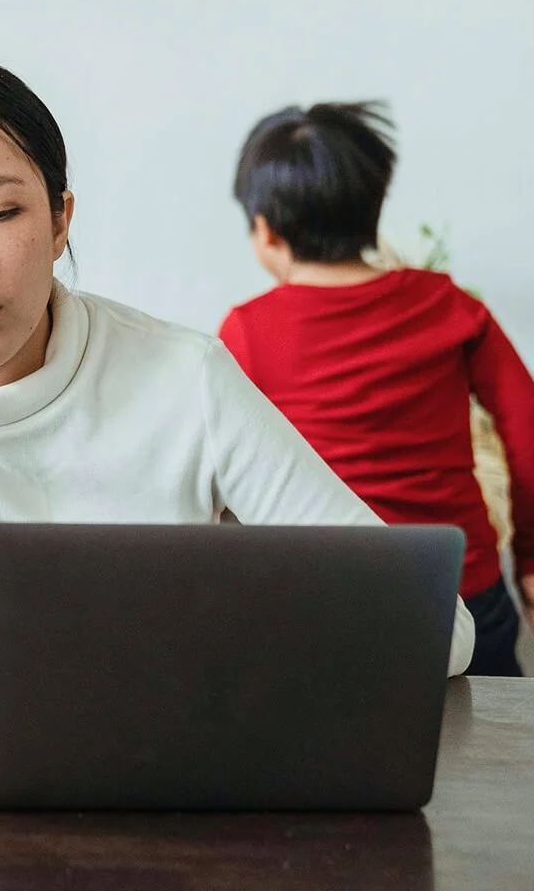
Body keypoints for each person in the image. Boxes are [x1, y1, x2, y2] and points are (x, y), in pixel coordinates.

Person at [0, 59, 474, 677]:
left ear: (59, 222)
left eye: (1, 213)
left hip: (158, 762)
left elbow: (438, 634)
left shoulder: (185, 376)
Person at [218, 101, 533, 676]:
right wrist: (532, 560)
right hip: (465, 592)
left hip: (330, 602)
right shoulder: (449, 305)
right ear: (373, 208)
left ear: (264, 228)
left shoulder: (245, 331)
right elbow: (528, 431)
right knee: (494, 759)